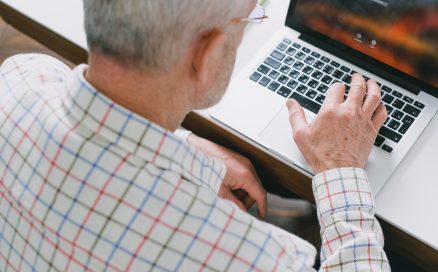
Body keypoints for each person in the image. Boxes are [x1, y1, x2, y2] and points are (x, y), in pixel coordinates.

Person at [0, 0, 390, 271]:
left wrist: (184, 147)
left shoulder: (20, 78)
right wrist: (339, 165)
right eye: (251, 16)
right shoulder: (257, 259)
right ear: (206, 56)